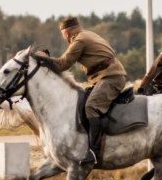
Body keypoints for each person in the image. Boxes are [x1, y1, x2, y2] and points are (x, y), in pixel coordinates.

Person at [44, 16, 127, 166]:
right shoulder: (88, 34)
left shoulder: (79, 41)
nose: (63, 37)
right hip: (106, 76)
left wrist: (41, 59)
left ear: (67, 33)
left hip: (110, 77)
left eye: (62, 33)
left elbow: (62, 65)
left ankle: (95, 152)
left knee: (91, 106)